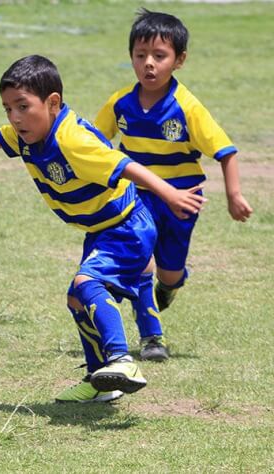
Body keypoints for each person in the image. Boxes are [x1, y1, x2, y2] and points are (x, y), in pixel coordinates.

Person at [0, 55, 205, 403]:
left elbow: (126, 166)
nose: (14, 117)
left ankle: (121, 361)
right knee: (76, 299)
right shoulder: (27, 136)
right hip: (101, 229)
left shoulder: (72, 140)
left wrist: (169, 193)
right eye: (8, 108)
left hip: (127, 226)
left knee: (88, 284)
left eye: (23, 106)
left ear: (53, 102)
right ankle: (102, 381)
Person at [94, 9, 252, 361]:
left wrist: (234, 195)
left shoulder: (188, 107)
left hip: (182, 199)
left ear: (179, 60)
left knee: (169, 271)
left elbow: (225, 152)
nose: (148, 64)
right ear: (131, 57)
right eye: (140, 55)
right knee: (139, 262)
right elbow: (95, 145)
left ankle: (172, 284)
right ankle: (152, 338)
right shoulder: (119, 103)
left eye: (159, 56)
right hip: (135, 194)